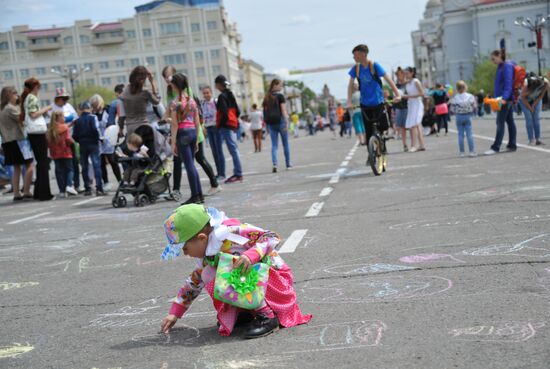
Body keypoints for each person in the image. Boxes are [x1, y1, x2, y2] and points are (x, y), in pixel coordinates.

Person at [160, 204, 312, 338]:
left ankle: (267, 316)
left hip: (275, 280)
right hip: (257, 284)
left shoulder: (230, 232)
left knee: (222, 269)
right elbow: (193, 282)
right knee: (207, 273)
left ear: (202, 238)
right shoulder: (208, 252)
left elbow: (272, 237)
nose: (185, 254)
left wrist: (250, 255)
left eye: (185, 248)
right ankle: (245, 312)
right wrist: (175, 312)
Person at [346, 44, 401, 157]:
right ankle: (370, 155)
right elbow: (350, 85)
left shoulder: (374, 66)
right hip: (365, 104)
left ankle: (382, 143)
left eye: (355, 55)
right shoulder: (356, 69)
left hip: (378, 102)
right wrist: (349, 102)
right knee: (368, 131)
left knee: (383, 126)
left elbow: (389, 80)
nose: (354, 58)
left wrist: (397, 95)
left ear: (363, 54)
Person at [169, 73, 204, 205]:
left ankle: (195, 195)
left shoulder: (175, 103)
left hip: (182, 133)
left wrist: (173, 143)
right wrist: (196, 140)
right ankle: (199, 194)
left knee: (188, 165)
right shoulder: (191, 101)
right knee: (192, 165)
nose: (170, 86)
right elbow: (197, 121)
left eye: (172, 84)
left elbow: (174, 124)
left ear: (176, 85)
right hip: (192, 133)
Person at [20, 78, 54, 201]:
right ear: (35, 87)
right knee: (43, 163)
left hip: (32, 133)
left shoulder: (27, 98)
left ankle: (39, 192)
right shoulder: (32, 98)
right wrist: (47, 108)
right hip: (37, 133)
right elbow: (33, 114)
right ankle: (44, 193)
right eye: (39, 87)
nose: (39, 90)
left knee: (41, 162)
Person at [0, 86, 34, 201]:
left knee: (16, 167)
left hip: (7, 141)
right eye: (15, 93)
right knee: (30, 165)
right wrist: (21, 105)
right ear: (8, 95)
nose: (17, 95)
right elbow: (23, 119)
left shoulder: (1, 109)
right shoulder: (11, 108)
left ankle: (16, 193)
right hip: (19, 140)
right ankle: (26, 191)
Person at [485, 49, 517, 155]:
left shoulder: (506, 66)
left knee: (500, 123)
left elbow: (508, 84)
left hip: (504, 100)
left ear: (499, 55)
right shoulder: (501, 67)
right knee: (510, 122)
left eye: (493, 59)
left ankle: (495, 147)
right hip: (503, 99)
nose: (492, 61)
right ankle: (512, 145)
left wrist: (504, 98)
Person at [73, 101, 105, 196]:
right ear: (89, 108)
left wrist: (80, 141)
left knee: (84, 167)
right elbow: (96, 129)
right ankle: (99, 188)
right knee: (96, 165)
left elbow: (74, 135)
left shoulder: (77, 120)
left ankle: (87, 188)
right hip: (93, 143)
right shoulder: (93, 117)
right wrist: (99, 139)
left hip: (83, 144)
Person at [215, 75, 243, 183]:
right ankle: (238, 172)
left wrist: (220, 125)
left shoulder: (222, 97)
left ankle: (238, 173)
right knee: (234, 149)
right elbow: (238, 111)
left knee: (233, 150)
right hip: (233, 124)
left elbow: (223, 113)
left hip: (226, 126)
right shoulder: (231, 94)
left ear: (218, 85)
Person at [118, 66, 161, 138]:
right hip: (144, 127)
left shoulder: (123, 94)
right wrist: (152, 82)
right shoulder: (145, 92)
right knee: (146, 149)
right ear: (144, 79)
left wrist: (121, 129)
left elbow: (122, 116)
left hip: (131, 128)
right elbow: (156, 102)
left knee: (134, 148)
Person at [90, 94, 121, 191]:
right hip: (99, 140)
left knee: (113, 161)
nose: (95, 108)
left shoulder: (108, 110)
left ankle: (120, 181)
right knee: (102, 163)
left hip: (110, 139)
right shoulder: (93, 114)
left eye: (97, 105)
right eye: (94, 106)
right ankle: (106, 182)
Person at [161, 65, 184, 196]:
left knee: (199, 158)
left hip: (187, 128)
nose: (167, 79)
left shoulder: (182, 89)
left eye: (168, 75)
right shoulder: (169, 91)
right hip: (177, 128)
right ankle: (176, 190)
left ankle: (214, 183)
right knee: (177, 160)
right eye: (165, 77)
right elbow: (169, 109)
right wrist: (163, 119)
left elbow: (188, 109)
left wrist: (173, 119)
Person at [263, 79, 292, 173]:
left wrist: (266, 125)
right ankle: (288, 164)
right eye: (280, 85)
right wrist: (287, 121)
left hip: (271, 124)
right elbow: (283, 110)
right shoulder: (280, 96)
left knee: (274, 145)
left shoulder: (266, 97)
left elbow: (265, 112)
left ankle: (275, 163)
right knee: (285, 144)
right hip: (281, 122)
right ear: (275, 85)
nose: (281, 87)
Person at [194, 96, 221, 196]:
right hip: (195, 133)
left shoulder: (190, 100)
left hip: (196, 134)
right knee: (199, 159)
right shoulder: (192, 100)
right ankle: (213, 184)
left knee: (200, 159)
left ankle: (214, 184)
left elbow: (199, 120)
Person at [47, 111, 77, 198]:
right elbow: (68, 139)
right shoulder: (64, 128)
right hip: (65, 152)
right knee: (70, 170)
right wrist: (73, 142)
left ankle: (62, 191)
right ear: (59, 118)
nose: (64, 119)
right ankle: (69, 185)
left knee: (59, 172)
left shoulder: (50, 129)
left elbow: (48, 142)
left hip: (55, 154)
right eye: (63, 117)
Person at [200, 86, 224, 179]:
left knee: (219, 151)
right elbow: (202, 116)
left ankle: (222, 173)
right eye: (204, 93)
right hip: (208, 128)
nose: (206, 95)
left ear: (211, 93)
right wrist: (203, 127)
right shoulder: (203, 103)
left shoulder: (215, 101)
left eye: (207, 93)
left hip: (216, 127)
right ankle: (218, 172)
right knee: (214, 151)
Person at [519, 73, 548, 146]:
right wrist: (530, 108)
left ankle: (538, 139)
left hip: (536, 99)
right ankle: (531, 139)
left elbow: (541, 95)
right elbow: (523, 98)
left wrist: (534, 104)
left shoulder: (545, 82)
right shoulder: (526, 85)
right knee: (529, 119)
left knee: (536, 118)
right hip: (524, 101)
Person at [450, 81, 477, 157]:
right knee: (469, 134)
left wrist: (456, 111)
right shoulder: (470, 96)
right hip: (468, 116)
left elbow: (452, 109)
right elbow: (474, 106)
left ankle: (462, 152)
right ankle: (472, 151)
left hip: (459, 117)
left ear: (457, 89)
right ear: (465, 87)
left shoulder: (455, 97)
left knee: (460, 135)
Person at [402, 67, 426, 152]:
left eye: (407, 73)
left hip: (417, 104)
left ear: (412, 73)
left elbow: (422, 93)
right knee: (416, 124)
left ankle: (414, 146)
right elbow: (402, 82)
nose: (406, 75)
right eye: (405, 73)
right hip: (411, 104)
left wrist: (408, 96)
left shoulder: (416, 81)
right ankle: (422, 145)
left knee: (414, 124)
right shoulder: (408, 83)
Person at [393, 67, 409, 151]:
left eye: (399, 75)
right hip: (399, 108)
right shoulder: (396, 86)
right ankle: (405, 144)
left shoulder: (408, 84)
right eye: (397, 76)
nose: (398, 77)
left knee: (411, 126)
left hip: (408, 107)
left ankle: (414, 143)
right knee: (402, 127)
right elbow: (394, 97)